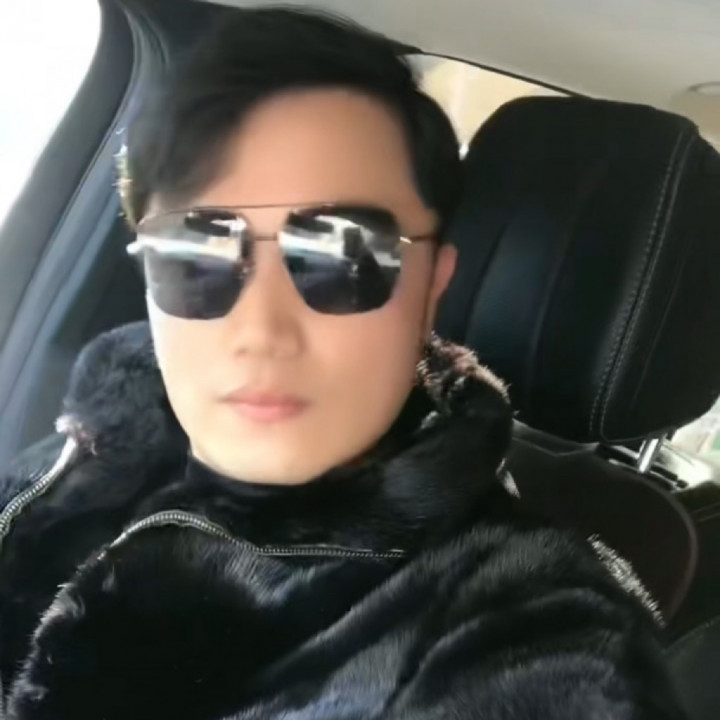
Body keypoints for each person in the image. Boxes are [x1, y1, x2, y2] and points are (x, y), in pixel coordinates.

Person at [0, 8, 685, 720]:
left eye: (344, 255)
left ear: (433, 287)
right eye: (194, 252)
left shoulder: (535, 639)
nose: (261, 331)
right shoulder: (76, 458)